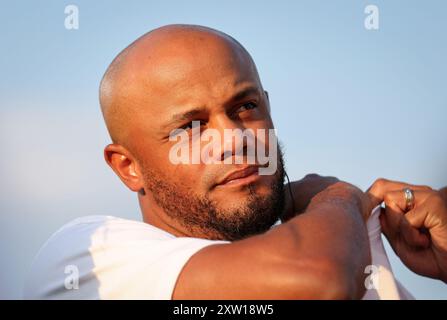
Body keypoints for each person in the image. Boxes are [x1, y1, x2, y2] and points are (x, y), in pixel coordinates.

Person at [23, 24, 446, 299]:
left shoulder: (342, 243)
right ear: (127, 167)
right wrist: (336, 196)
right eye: (190, 127)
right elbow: (318, 282)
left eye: (245, 106)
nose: (233, 139)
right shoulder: (87, 258)